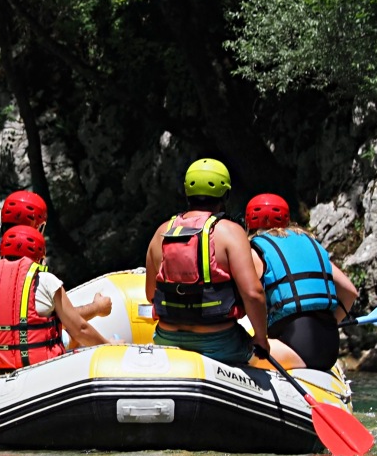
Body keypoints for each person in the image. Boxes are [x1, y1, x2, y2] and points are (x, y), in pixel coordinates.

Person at [0, 189, 111, 356]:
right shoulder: (28, 263)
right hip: (16, 352)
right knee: (72, 337)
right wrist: (97, 308)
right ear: (38, 227)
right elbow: (55, 319)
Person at [144, 158, 269, 366]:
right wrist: (261, 338)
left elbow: (150, 295)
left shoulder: (162, 232)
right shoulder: (230, 232)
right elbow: (253, 294)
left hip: (167, 337)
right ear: (225, 194)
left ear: (186, 193)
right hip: (219, 342)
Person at [0, 226, 110, 381]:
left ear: (2, 254)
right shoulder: (46, 282)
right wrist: (109, 346)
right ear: (39, 257)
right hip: (37, 377)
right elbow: (80, 329)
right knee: (70, 337)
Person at [245, 193, 359, 370]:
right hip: (329, 347)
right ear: (286, 219)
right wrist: (331, 323)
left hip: (294, 345)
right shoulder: (309, 244)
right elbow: (350, 292)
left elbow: (250, 295)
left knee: (230, 349)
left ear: (248, 222)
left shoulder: (256, 250)